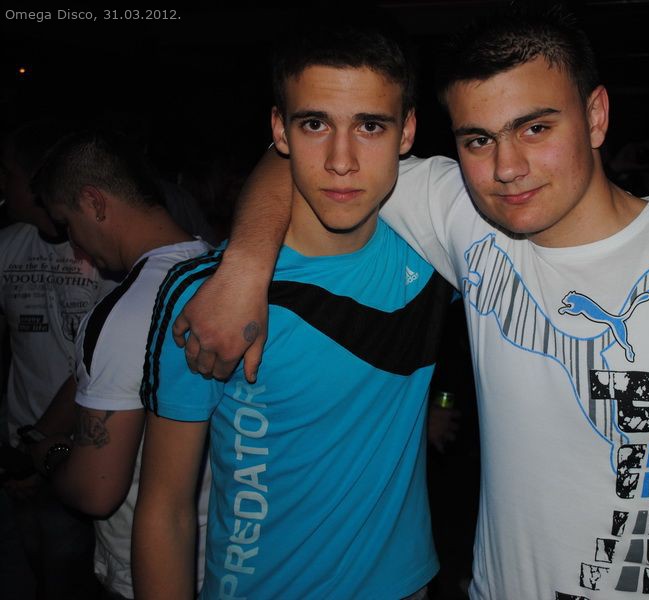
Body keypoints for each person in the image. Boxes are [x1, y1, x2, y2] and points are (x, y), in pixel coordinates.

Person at [172, 6, 649, 599]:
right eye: (478, 139)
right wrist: (244, 268)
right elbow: (305, 154)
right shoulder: (463, 214)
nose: (507, 167)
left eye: (535, 128)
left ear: (596, 115)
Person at [132, 22, 452, 600]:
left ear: (406, 131)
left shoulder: (435, 254)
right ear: (280, 130)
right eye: (314, 124)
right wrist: (248, 261)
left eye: (370, 126)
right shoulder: (208, 297)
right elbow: (166, 509)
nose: (341, 161)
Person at [24, 130, 212, 599]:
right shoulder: (222, 272)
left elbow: (98, 488)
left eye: (68, 223)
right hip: (228, 561)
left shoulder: (124, 313)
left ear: (94, 202)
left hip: (146, 574)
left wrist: (49, 452)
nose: (75, 245)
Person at [0, 120, 115, 600]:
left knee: (68, 580)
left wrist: (37, 449)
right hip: (16, 445)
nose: (1, 184)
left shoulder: (102, 252)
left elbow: (94, 366)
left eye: (7, 173)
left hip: (75, 452)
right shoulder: (7, 246)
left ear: (34, 181)